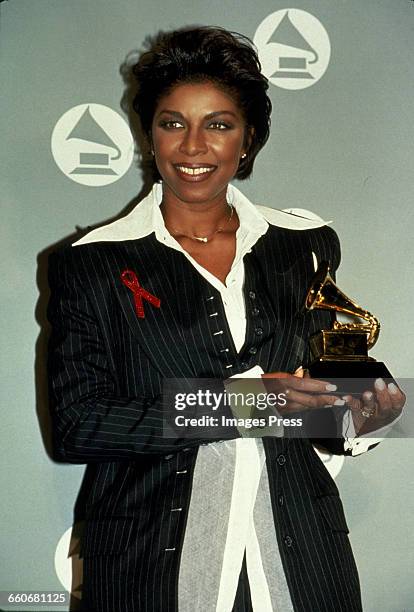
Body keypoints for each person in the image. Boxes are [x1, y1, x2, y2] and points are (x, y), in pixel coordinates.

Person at [47, 26, 405, 612]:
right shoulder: (92, 265)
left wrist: (363, 415)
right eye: (172, 122)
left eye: (218, 124)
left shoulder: (304, 245)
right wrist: (250, 400)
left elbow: (319, 395)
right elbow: (81, 425)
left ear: (248, 138)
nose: (193, 146)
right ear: (149, 133)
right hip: (147, 566)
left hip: (300, 557)